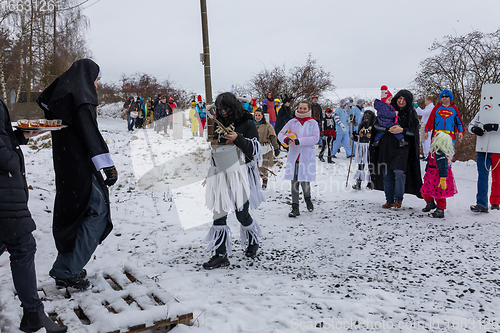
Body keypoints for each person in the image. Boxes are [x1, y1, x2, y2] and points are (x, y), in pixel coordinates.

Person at [37, 59, 118, 290]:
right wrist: (107, 166)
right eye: (96, 79)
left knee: (74, 216)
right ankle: (67, 270)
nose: (96, 84)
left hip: (65, 168)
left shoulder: (61, 96)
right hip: (82, 168)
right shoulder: (82, 98)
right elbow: (89, 133)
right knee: (99, 214)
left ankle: (67, 266)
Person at [1, 98, 67, 332]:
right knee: (23, 245)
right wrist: (13, 160)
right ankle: (33, 314)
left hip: (7, 187)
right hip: (4, 188)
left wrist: (21, 136)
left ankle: (33, 314)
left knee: (18, 244)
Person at [202, 92, 264, 269]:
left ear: (233, 107)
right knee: (219, 213)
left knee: (241, 214)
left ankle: (252, 240)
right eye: (219, 109)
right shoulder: (220, 123)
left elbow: (254, 150)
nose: (222, 112)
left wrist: (238, 138)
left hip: (241, 174)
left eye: (225, 109)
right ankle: (220, 254)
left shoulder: (247, 122)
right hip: (221, 173)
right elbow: (217, 147)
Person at [370, 89, 423, 208]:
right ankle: (389, 199)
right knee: (387, 173)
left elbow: (413, 132)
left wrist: (402, 130)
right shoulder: (388, 109)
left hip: (402, 147)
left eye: (404, 99)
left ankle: (398, 199)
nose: (401, 101)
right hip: (386, 146)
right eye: (400, 98)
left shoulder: (410, 113)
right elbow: (377, 125)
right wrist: (386, 129)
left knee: (399, 172)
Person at [278, 101, 320, 217]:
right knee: (294, 182)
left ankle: (307, 198)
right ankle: (295, 207)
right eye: (300, 108)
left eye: (304, 108)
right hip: (295, 156)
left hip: (306, 156)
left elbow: (315, 138)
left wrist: (299, 141)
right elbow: (281, 134)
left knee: (305, 181)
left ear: (308, 109)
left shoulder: (313, 123)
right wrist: (285, 140)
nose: (301, 110)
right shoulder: (292, 122)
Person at [469, 84, 500, 213]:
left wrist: (495, 127)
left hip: (497, 148)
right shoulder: (483, 111)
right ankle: (482, 203)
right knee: (482, 176)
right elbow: (471, 124)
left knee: (497, 177)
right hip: (483, 148)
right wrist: (474, 129)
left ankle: (495, 201)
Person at [420, 132, 458, 218]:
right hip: (431, 175)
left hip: (439, 176)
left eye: (434, 137)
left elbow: (443, 168)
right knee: (424, 191)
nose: (432, 138)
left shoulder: (440, 154)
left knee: (439, 194)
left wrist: (443, 178)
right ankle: (430, 204)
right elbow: (428, 163)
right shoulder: (432, 151)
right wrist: (426, 173)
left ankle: (440, 210)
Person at [254, 108, 280, 188]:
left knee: (263, 166)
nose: (257, 117)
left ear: (262, 116)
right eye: (256, 115)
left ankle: (264, 181)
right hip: (254, 148)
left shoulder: (267, 125)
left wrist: (276, 148)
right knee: (254, 166)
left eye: (259, 115)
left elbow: (272, 137)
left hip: (264, 149)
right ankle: (254, 182)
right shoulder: (251, 124)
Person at [352, 110, 376, 190]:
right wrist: (354, 137)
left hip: (370, 147)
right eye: (365, 114)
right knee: (360, 165)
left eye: (369, 115)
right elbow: (359, 137)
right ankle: (358, 183)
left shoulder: (374, 126)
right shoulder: (361, 126)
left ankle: (371, 183)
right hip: (361, 147)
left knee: (370, 165)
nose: (366, 116)